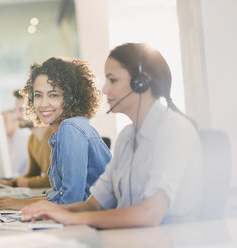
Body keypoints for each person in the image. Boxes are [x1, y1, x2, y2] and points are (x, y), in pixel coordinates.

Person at [21, 43, 204, 228]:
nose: (104, 89)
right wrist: (46, 210)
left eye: (113, 80)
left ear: (141, 82)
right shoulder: (127, 137)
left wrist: (72, 218)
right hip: (129, 237)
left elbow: (150, 214)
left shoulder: (174, 130)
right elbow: (93, 205)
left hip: (167, 240)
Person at [0, 57, 112, 210]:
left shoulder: (70, 128)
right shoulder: (62, 130)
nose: (43, 104)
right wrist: (18, 202)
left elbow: (70, 201)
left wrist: (21, 204)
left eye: (53, 95)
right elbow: (61, 194)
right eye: (38, 95)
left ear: (70, 98)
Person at [0, 90, 52, 188]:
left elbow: (57, 179)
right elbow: (32, 175)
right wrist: (8, 183)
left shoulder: (55, 136)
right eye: (15, 110)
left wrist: (28, 183)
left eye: (21, 110)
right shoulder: (32, 140)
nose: (16, 116)